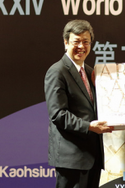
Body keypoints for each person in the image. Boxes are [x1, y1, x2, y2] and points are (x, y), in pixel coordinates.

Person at [44, 19, 113, 188]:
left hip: (93, 156)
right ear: (66, 42)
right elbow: (58, 115)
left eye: (86, 42)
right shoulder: (57, 71)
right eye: (76, 42)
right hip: (72, 159)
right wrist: (89, 126)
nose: (81, 46)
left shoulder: (91, 72)